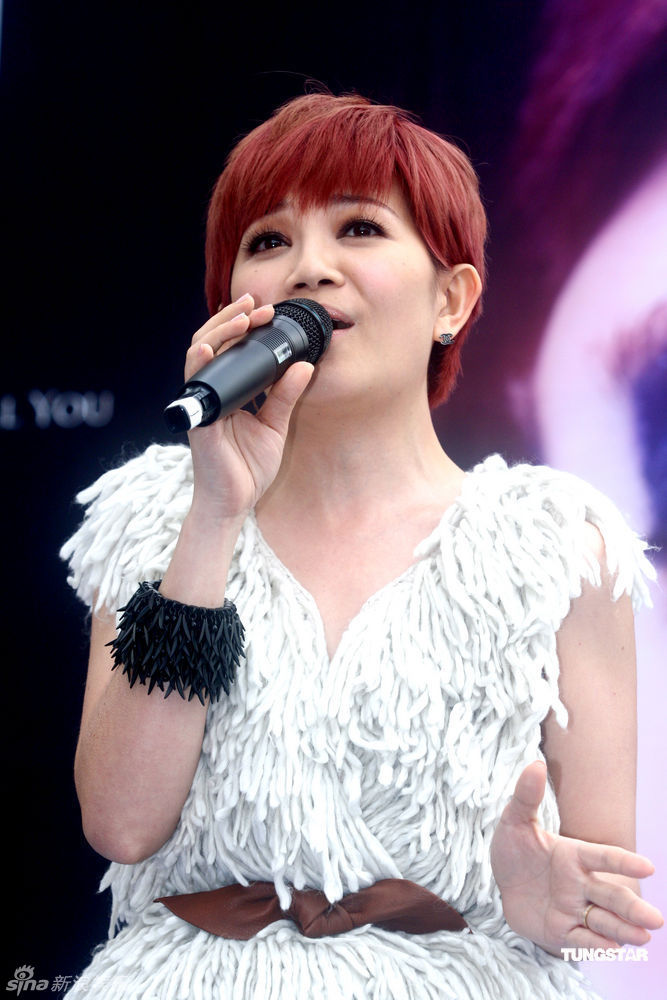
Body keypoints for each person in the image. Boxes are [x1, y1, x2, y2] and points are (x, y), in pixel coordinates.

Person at [60, 93, 663, 999]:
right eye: (269, 241)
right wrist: (214, 512)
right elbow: (120, 824)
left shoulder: (558, 550)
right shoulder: (155, 516)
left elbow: (605, 914)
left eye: (359, 228)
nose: (310, 267)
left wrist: (547, 912)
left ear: (451, 300)